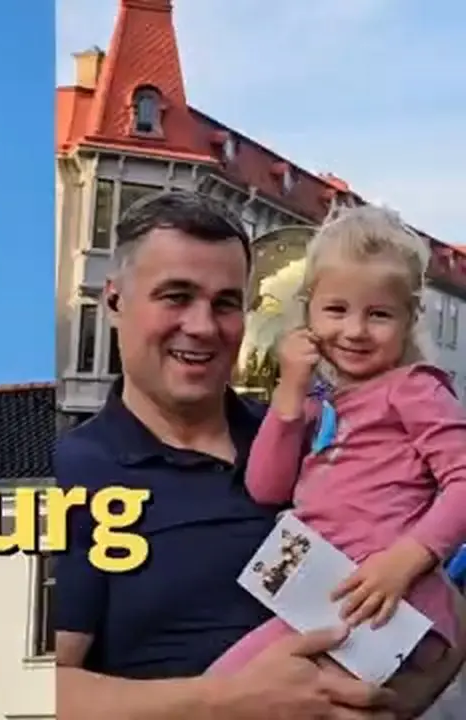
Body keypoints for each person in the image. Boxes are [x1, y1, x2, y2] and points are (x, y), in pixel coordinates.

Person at [53, 190, 465, 720]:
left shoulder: (305, 428)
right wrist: (227, 702)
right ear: (114, 301)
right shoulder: (73, 472)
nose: (202, 326)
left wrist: (385, 704)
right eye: (176, 296)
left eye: (226, 303)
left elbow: (446, 611)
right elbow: (47, 692)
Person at [208, 207, 466, 705]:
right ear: (308, 314)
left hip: (387, 601)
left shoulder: (414, 389)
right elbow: (266, 487)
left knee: (223, 690)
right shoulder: (321, 403)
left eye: (379, 314)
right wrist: (289, 395)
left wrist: (405, 560)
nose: (355, 330)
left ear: (410, 319)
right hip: (332, 598)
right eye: (336, 310)